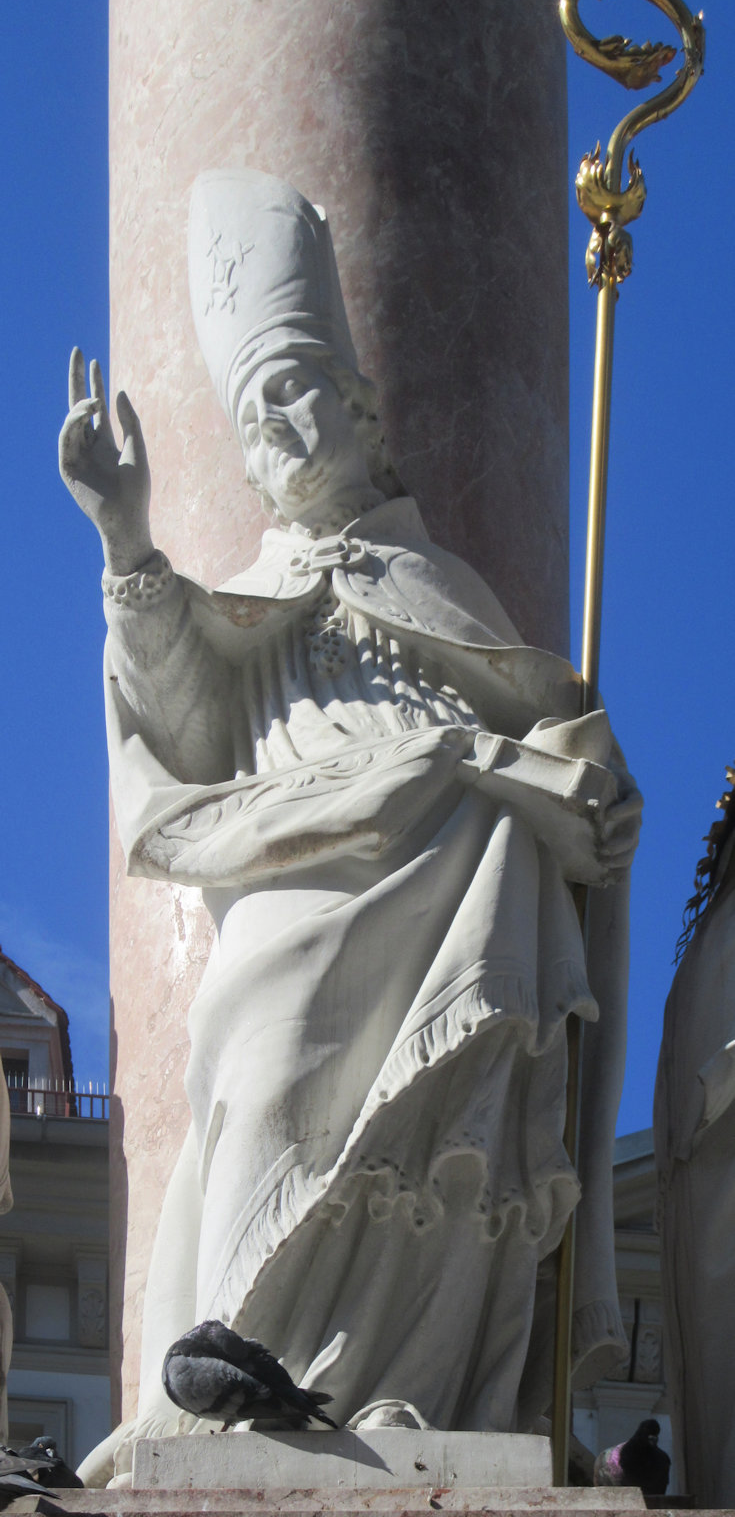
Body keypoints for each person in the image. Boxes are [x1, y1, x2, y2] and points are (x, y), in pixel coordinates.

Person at [60, 170, 640, 1482]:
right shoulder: (258, 596)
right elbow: (182, 721)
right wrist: (126, 541)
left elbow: (551, 740)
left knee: (453, 1147)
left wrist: (569, 781)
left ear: (363, 409)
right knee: (262, 1091)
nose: (271, 430)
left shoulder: (445, 584)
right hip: (294, 907)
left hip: (449, 905)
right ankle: (252, 1386)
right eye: (251, 413)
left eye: (291, 392)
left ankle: (403, 1395)